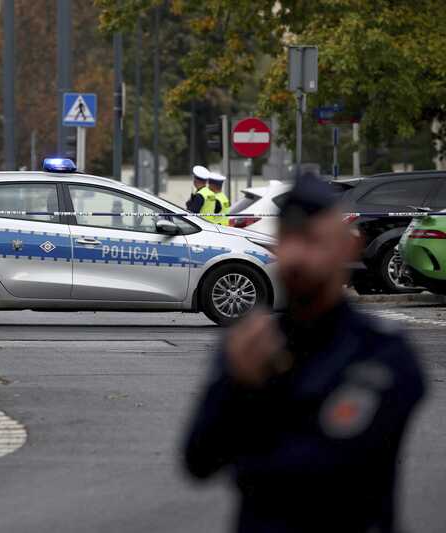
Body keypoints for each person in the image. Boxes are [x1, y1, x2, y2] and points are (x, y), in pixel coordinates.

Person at [182, 172, 426, 533]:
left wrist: (255, 394)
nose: (296, 255)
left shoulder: (381, 351)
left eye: (312, 240)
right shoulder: (251, 342)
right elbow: (198, 461)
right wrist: (234, 384)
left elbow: (328, 468)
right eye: (289, 239)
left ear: (348, 248)